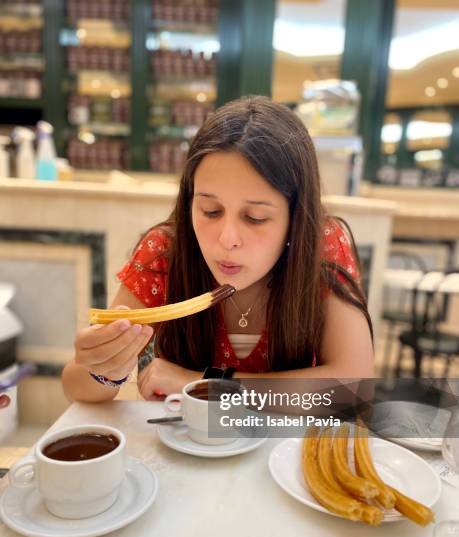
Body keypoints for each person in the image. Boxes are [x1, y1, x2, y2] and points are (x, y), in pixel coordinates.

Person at [62, 96, 374, 404]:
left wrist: (204, 383)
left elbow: (354, 387)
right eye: (210, 210)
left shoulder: (322, 245)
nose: (227, 239)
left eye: (255, 218)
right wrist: (104, 369)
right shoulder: (166, 251)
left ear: (296, 217)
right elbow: (77, 387)